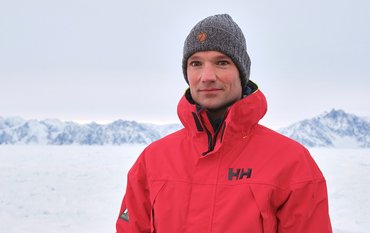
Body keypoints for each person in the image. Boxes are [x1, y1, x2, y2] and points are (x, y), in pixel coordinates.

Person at [116, 14, 332, 233]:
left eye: (221, 62)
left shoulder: (291, 162)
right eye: (196, 63)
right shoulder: (153, 160)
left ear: (241, 73)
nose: (207, 76)